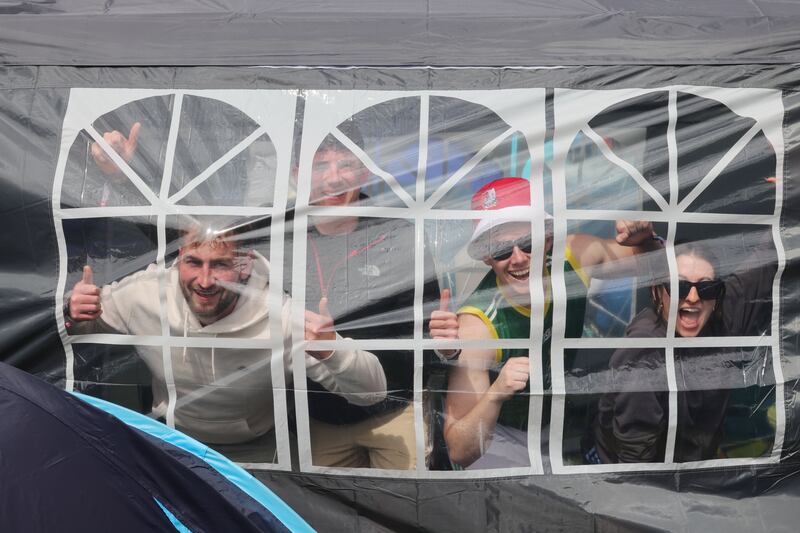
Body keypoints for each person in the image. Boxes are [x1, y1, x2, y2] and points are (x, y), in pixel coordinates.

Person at [66, 216, 387, 462]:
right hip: (171, 443)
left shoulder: (280, 317)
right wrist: (76, 312)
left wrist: (332, 350)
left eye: (219, 265)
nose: (204, 280)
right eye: (194, 262)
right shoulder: (146, 294)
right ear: (180, 259)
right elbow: (79, 329)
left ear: (244, 265)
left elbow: (372, 393)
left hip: (256, 454)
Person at [428, 177, 657, 469]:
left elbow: (656, 266)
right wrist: (497, 393)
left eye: (528, 243)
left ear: (548, 239)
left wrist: (647, 238)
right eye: (501, 250)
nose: (518, 258)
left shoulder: (573, 259)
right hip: (500, 438)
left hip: (556, 426)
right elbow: (460, 449)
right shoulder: (479, 325)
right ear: (487, 258)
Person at [291, 124, 439, 470]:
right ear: (297, 175)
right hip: (317, 420)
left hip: (396, 412)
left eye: (345, 165)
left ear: (364, 170)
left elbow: (430, 327)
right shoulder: (278, 237)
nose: (333, 179)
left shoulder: (398, 234)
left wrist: (448, 345)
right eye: (318, 167)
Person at [591, 238, 777, 463]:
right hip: (632, 472)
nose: (693, 297)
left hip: (693, 463)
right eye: (679, 286)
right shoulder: (644, 353)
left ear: (717, 297)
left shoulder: (723, 315)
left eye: (706, 287)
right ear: (658, 292)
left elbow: (771, 253)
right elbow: (635, 465)